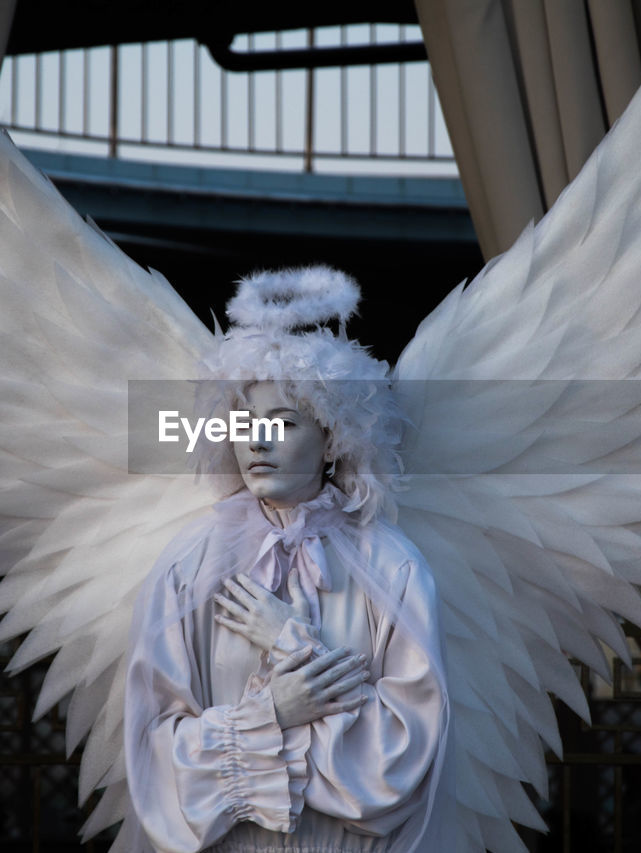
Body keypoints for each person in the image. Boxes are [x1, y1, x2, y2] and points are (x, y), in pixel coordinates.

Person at [119, 269, 450, 852]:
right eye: (243, 423)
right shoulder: (189, 566)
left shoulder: (392, 566)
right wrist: (271, 711)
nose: (256, 441)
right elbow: (155, 750)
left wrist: (292, 647)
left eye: (283, 422)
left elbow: (403, 752)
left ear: (334, 438)